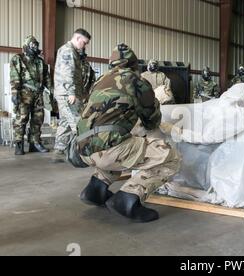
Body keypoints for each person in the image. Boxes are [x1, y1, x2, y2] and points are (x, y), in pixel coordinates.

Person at [77, 44, 180, 223]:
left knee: (119, 146)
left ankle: (95, 191)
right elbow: (152, 119)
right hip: (108, 150)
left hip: (83, 149)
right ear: (134, 65)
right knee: (171, 157)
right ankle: (127, 199)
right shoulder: (135, 80)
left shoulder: (100, 80)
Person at [53, 28, 91, 162]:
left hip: (66, 93)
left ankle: (58, 152)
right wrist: (72, 93)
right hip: (68, 94)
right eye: (84, 42)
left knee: (64, 123)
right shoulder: (68, 50)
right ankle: (81, 155)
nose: (85, 46)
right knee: (78, 123)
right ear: (78, 38)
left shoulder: (71, 51)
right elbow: (67, 73)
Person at [10, 35, 52, 155]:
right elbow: (14, 77)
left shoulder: (40, 61)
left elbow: (47, 77)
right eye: (33, 45)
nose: (35, 48)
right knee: (21, 118)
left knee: (38, 119)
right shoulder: (18, 59)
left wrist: (51, 91)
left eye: (36, 45)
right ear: (27, 46)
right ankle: (19, 144)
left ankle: (35, 143)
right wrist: (15, 93)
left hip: (38, 93)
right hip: (24, 92)